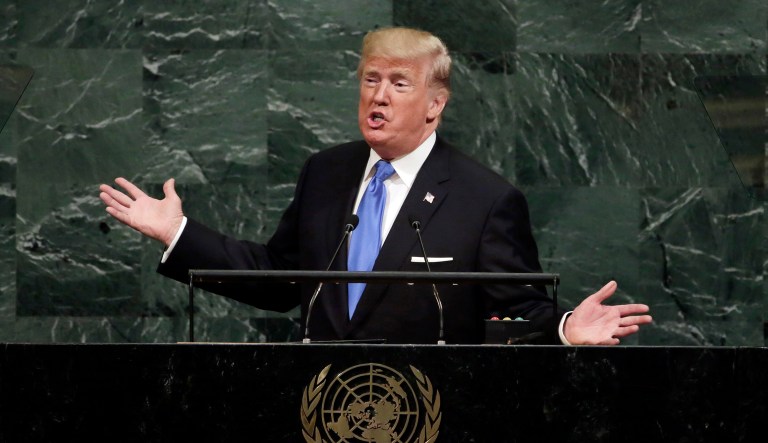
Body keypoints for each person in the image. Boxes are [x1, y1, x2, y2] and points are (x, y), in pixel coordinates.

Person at [99, 27, 651, 345]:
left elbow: (511, 312)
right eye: (371, 79)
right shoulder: (326, 172)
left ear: (435, 105)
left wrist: (560, 329)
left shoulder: (486, 199)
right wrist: (178, 232)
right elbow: (281, 278)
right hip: (320, 410)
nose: (379, 96)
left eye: (398, 83)